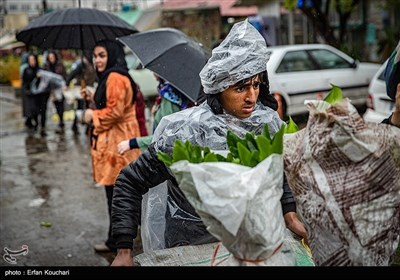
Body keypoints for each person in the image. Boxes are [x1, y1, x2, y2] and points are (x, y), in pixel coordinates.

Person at [110, 20, 307, 266]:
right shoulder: (185, 132)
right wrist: (124, 250)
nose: (252, 97)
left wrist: (289, 214)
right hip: (190, 250)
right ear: (219, 87)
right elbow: (129, 181)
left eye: (256, 85)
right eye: (241, 87)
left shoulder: (264, 125)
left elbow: (277, 174)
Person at [79, 39, 142, 253]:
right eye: (95, 55)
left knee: (117, 195)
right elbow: (114, 106)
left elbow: (115, 113)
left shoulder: (115, 77)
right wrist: (92, 97)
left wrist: (91, 114)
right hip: (116, 143)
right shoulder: (112, 76)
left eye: (102, 55)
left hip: (118, 145)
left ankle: (117, 242)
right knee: (117, 194)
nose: (97, 60)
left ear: (112, 55)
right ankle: (117, 238)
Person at [117, 75, 192, 154]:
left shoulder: (170, 98)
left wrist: (133, 143)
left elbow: (166, 137)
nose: (152, 73)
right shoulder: (169, 94)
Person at [65, 51, 97, 134]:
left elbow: (95, 76)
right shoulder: (82, 65)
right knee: (80, 107)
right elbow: (72, 74)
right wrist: (67, 84)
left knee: (89, 107)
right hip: (80, 89)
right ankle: (75, 125)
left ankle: (87, 126)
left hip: (89, 88)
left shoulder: (94, 65)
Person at [22, 52, 50, 136]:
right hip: (33, 95)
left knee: (43, 111)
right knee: (34, 111)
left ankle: (43, 127)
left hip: (42, 94)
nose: (32, 61)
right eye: (30, 60)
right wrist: (35, 76)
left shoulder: (40, 69)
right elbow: (25, 82)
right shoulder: (26, 70)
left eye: (33, 59)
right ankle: (36, 125)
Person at [43, 50, 67, 132]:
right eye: (50, 58)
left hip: (60, 88)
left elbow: (64, 75)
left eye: (52, 57)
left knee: (61, 104)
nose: (51, 59)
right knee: (56, 105)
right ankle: (60, 119)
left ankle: (61, 120)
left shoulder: (60, 65)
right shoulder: (46, 66)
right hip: (52, 89)